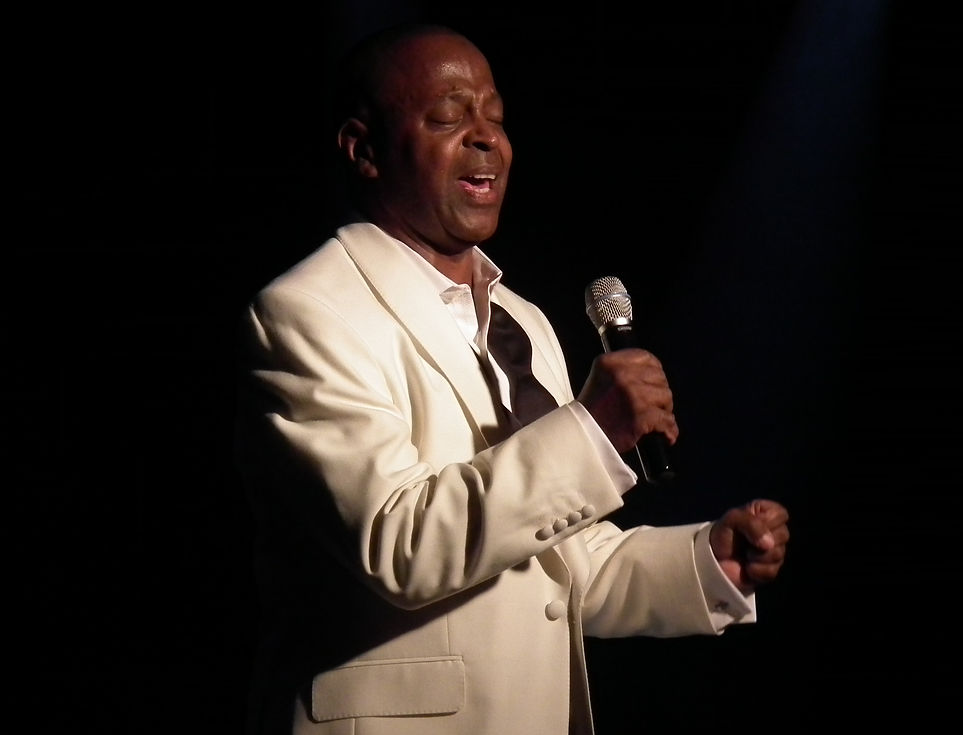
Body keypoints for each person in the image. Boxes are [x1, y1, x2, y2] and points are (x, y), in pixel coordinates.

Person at [233, 21, 790, 735]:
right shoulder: (307, 312)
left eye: (495, 117)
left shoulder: (522, 321)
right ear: (362, 149)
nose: (486, 138)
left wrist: (704, 562)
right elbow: (401, 544)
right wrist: (591, 430)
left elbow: (560, 563)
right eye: (448, 116)